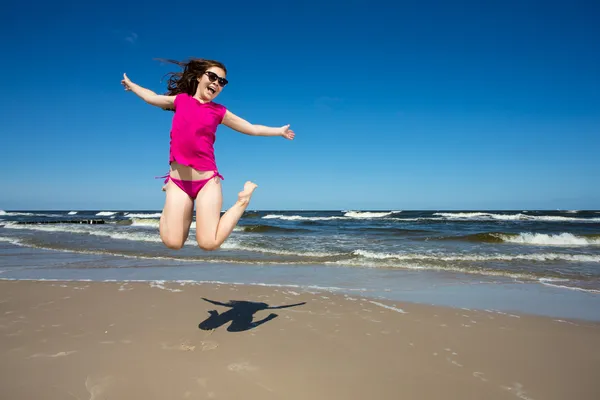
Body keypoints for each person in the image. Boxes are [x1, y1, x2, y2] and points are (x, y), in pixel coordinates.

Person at [121, 58, 295, 251]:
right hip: (179, 183)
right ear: (198, 76)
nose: (216, 83)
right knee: (173, 243)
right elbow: (151, 97)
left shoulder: (219, 111)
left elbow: (252, 128)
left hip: (206, 182)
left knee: (208, 244)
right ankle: (168, 194)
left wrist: (278, 131)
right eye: (212, 77)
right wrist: (132, 85)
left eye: (222, 81)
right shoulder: (181, 100)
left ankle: (242, 200)